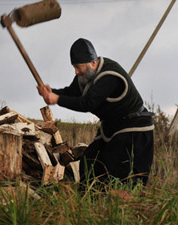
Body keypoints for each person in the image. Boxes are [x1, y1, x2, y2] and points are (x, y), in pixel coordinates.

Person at [37, 38, 154, 185]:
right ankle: (90, 201)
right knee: (90, 162)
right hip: (113, 127)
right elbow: (71, 92)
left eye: (78, 67)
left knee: (121, 175)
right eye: (74, 67)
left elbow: (87, 103)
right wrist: (51, 92)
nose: (76, 71)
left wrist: (57, 99)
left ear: (93, 62)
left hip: (133, 130)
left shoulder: (109, 76)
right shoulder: (84, 76)